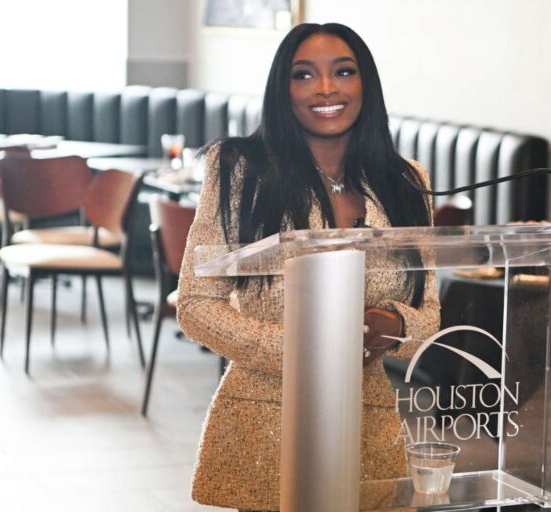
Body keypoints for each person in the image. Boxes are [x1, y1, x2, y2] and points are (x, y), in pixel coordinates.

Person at [176, 23, 440, 511]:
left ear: (366, 85)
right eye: (304, 75)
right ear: (283, 89)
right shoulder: (240, 169)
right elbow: (195, 305)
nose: (325, 88)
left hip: (370, 425)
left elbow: (428, 316)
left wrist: (396, 325)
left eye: (344, 71)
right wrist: (307, 349)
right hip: (266, 424)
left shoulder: (406, 181)